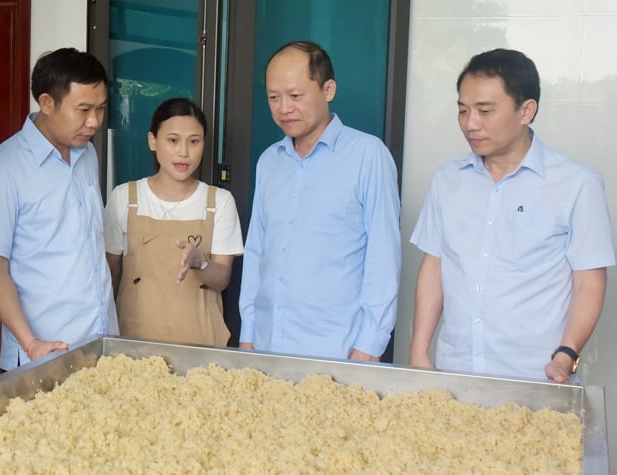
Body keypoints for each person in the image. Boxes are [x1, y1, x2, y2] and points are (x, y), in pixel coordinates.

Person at [409, 48, 615, 383]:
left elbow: (589, 281)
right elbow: (434, 265)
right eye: (462, 110)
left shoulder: (576, 184)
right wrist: (419, 350)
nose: (470, 123)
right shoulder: (447, 180)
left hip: (537, 378)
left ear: (526, 111)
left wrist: (566, 355)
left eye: (485, 111)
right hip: (454, 372)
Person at [238, 41, 401, 361]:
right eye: (273, 97)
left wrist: (368, 347)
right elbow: (258, 250)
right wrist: (248, 335)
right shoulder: (269, 162)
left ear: (328, 90)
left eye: (295, 96)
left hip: (336, 352)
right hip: (267, 346)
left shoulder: (368, 156)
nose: (283, 108)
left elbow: (384, 258)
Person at [0, 48, 118, 372]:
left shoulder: (87, 155)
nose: (94, 121)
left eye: (101, 109)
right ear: (47, 103)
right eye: (83, 109)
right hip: (43, 354)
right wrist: (30, 343)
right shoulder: (4, 171)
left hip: (100, 346)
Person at [104, 98, 243, 346]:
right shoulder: (124, 197)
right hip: (132, 345)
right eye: (173, 140)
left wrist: (200, 262)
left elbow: (222, 279)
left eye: (194, 141)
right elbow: (109, 274)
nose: (184, 152)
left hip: (200, 345)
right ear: (152, 141)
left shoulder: (219, 201)